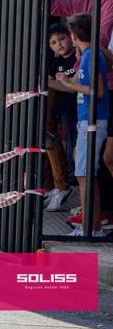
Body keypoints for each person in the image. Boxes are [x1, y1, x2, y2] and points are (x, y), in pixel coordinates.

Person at [55, 14, 109, 237]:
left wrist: (68, 82)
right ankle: (91, 225)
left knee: (85, 175)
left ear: (74, 35)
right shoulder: (87, 55)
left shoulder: (90, 56)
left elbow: (96, 91)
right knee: (84, 174)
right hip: (86, 120)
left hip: (92, 121)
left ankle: (91, 227)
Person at [45, 23, 77, 211]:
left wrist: (53, 82)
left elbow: (71, 85)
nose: (59, 44)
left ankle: (64, 188)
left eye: (62, 38)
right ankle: (53, 187)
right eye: (54, 42)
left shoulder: (77, 59)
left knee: (76, 150)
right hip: (63, 110)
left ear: (71, 37)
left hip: (76, 110)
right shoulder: (56, 63)